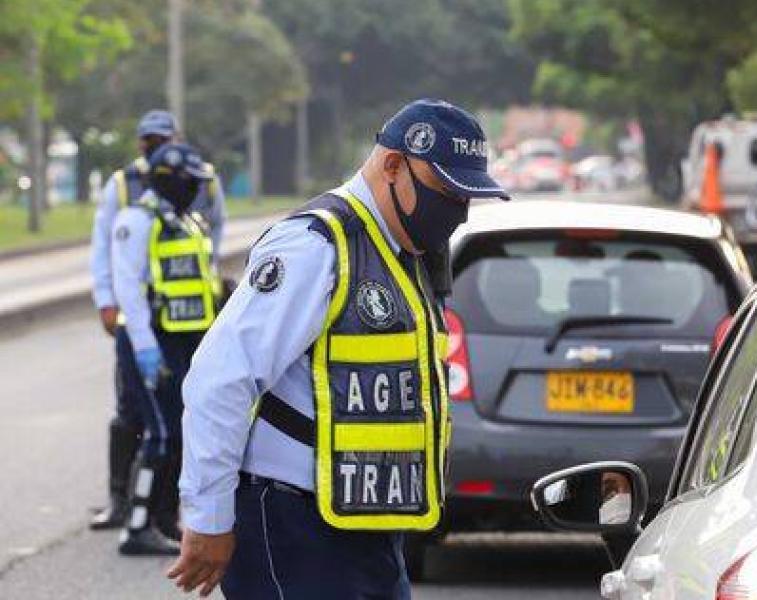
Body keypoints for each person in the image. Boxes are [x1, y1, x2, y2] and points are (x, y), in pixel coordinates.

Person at [169, 99, 509, 599]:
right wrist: (209, 518)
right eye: (444, 192)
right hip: (292, 526)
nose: (456, 212)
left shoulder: (404, 253)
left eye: (465, 198)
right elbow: (220, 380)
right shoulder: (315, 247)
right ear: (392, 165)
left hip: (364, 528)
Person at [88, 110, 226, 531]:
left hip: (184, 338)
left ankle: (162, 517)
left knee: (176, 430)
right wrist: (109, 304)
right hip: (149, 336)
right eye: (147, 139)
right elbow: (114, 261)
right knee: (145, 423)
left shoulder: (192, 205)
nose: (152, 144)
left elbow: (212, 244)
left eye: (160, 137)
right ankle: (129, 510)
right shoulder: (129, 200)